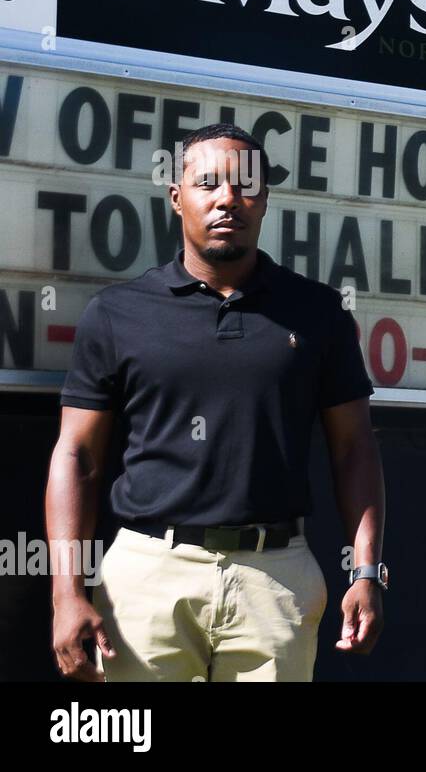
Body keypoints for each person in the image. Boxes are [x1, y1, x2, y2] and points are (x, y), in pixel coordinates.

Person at [45, 123, 387, 681]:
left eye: (245, 184)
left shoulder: (319, 313)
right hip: (146, 575)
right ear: (178, 198)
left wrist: (367, 570)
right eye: (209, 182)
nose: (228, 197)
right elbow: (76, 456)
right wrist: (66, 593)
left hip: (276, 577)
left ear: (265, 199)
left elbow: (354, 450)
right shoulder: (116, 313)